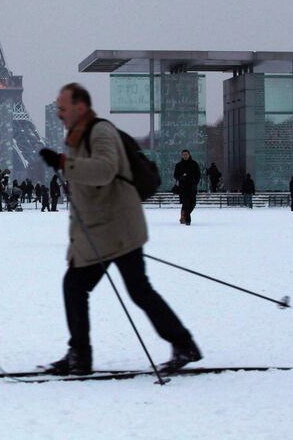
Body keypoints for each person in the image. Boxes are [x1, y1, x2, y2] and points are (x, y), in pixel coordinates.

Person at [38, 82, 200, 375]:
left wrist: (64, 163)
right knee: (94, 287)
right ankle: (180, 344)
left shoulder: (100, 132)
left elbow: (104, 169)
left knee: (114, 289)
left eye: (63, 108)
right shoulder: (78, 137)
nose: (60, 114)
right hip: (102, 231)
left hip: (118, 230)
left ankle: (83, 356)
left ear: (81, 107)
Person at [173, 150, 201, 225]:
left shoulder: (194, 164)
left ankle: (184, 216)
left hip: (192, 187)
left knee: (193, 203)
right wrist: (181, 177)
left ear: (189, 155)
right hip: (183, 188)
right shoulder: (179, 165)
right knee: (186, 203)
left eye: (186, 154)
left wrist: (195, 183)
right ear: (182, 156)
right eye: (184, 154)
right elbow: (175, 175)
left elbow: (198, 175)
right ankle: (187, 220)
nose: (185, 156)